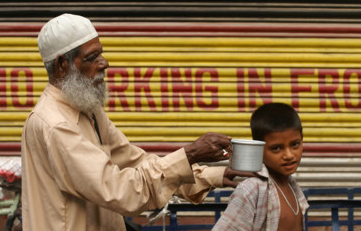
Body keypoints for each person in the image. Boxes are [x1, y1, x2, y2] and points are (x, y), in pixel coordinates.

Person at [21, 13, 252, 231]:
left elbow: (135, 162)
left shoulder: (88, 111)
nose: (104, 63)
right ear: (63, 65)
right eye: (92, 58)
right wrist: (189, 154)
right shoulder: (54, 124)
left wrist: (215, 175)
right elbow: (120, 190)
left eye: (100, 54)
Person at [213, 102, 309, 231]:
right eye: (276, 148)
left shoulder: (292, 187)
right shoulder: (252, 190)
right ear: (259, 148)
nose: (289, 155)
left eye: (295, 144)